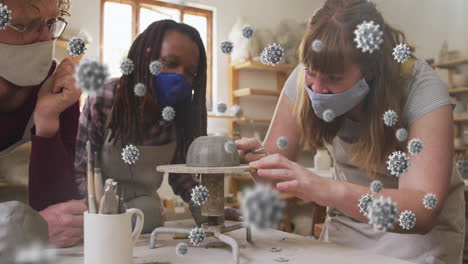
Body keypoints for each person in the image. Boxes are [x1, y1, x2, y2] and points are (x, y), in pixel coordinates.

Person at [236, 0, 464, 263]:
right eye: (311, 73)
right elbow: (273, 176)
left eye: (333, 78)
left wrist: (325, 189)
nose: (318, 89)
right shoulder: (307, 75)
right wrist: (256, 162)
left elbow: (421, 212)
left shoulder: (420, 88)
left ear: (370, 69)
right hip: (349, 222)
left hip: (415, 238)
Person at [75, 19, 240, 233]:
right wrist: (94, 215)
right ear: (146, 58)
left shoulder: (181, 115)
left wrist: (208, 207)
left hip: (145, 215)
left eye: (190, 72)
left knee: (148, 213)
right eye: (170, 63)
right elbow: (80, 171)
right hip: (98, 209)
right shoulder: (105, 98)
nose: (180, 75)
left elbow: (181, 175)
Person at [0, 0, 86, 248]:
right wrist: (25, 232)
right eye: (26, 25)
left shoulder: (58, 87)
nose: (46, 37)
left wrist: (46, 122)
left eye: (51, 23)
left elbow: (64, 218)